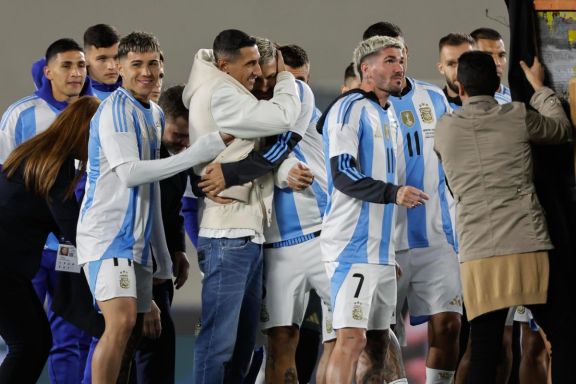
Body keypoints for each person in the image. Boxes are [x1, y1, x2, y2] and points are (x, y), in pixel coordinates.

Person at [76, 31, 229, 384]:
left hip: (139, 245)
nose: (147, 72)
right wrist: (195, 154)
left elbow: (153, 192)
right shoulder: (115, 110)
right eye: (137, 64)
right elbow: (130, 174)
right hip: (107, 236)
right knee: (122, 322)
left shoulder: (155, 114)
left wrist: (160, 261)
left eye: (153, 64)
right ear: (119, 68)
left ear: (162, 66)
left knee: (134, 335)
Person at [434, 51, 572, 384]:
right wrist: (540, 88)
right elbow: (561, 130)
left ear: (459, 88)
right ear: (499, 85)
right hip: (527, 243)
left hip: (478, 251)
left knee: (483, 348)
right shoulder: (518, 116)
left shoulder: (444, 129)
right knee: (565, 335)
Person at [182, 29, 302, 383]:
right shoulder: (222, 94)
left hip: (244, 232)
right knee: (218, 342)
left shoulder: (226, 90)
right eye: (249, 63)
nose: (257, 71)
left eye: (258, 62)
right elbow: (283, 117)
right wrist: (284, 77)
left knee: (241, 346)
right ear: (224, 65)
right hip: (227, 235)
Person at [318, 35, 427, 384]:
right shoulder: (348, 108)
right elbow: (343, 173)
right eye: (391, 60)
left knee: (380, 340)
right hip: (351, 247)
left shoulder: (389, 114)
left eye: (402, 60)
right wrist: (394, 193)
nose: (400, 67)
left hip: (379, 252)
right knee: (350, 338)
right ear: (366, 68)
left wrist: (388, 248)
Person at [364, 21, 462, 384]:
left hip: (437, 237)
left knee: (449, 324)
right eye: (387, 55)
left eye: (400, 53)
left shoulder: (433, 98)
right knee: (379, 335)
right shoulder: (358, 107)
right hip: (386, 241)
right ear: (368, 61)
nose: (397, 62)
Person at [0, 96, 100, 383]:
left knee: (35, 341)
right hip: (5, 268)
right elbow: (73, 226)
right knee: (29, 343)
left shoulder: (36, 153)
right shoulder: (58, 168)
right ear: (85, 132)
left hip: (9, 269)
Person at [134, 84, 191, 384]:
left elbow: (172, 210)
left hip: (162, 269)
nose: (184, 142)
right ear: (160, 120)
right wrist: (145, 293)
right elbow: (140, 220)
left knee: (160, 350)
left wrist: (179, 249)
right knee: (147, 350)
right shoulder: (143, 158)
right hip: (138, 269)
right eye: (178, 134)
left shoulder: (177, 156)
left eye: (188, 136)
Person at [437, 33, 475, 109]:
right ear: (441, 68)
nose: (459, 70)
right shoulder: (431, 107)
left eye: (465, 62)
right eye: (451, 64)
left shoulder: (499, 103)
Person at [84, 24, 121, 100]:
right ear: (85, 59)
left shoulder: (139, 93)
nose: (112, 66)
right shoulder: (74, 99)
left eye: (116, 57)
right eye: (102, 59)